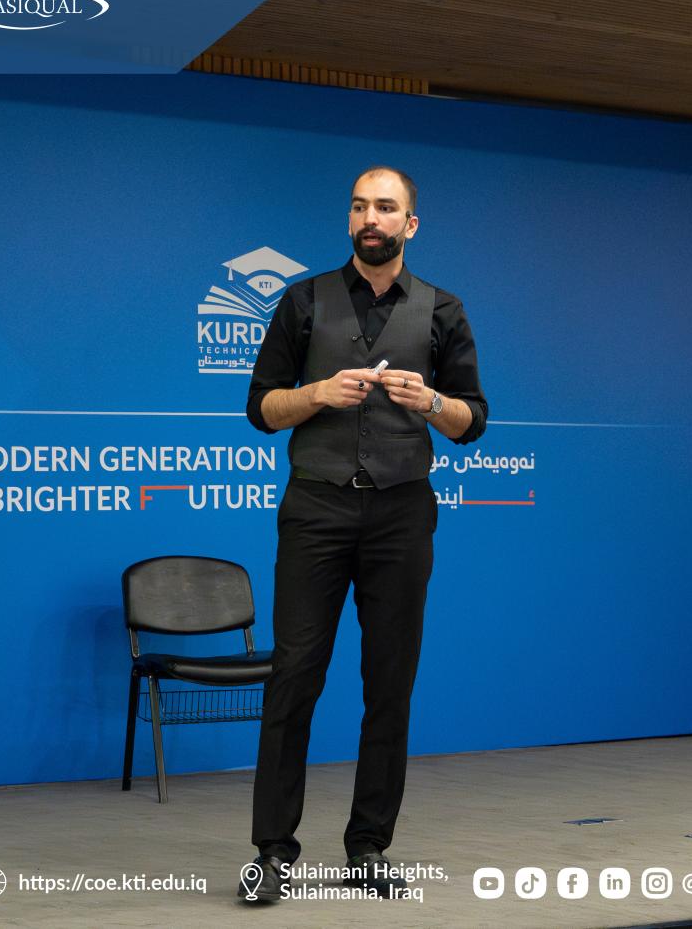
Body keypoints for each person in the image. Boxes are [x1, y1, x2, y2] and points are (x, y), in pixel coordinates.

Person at [237, 166, 488, 903]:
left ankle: (369, 846)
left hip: (400, 514)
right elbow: (261, 408)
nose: (369, 218)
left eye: (384, 207)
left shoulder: (443, 310)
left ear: (411, 224)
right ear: (349, 220)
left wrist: (430, 400)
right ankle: (272, 851)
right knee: (294, 675)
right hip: (315, 509)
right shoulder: (302, 301)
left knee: (389, 682)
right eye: (358, 206)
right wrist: (316, 393)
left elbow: (473, 421)